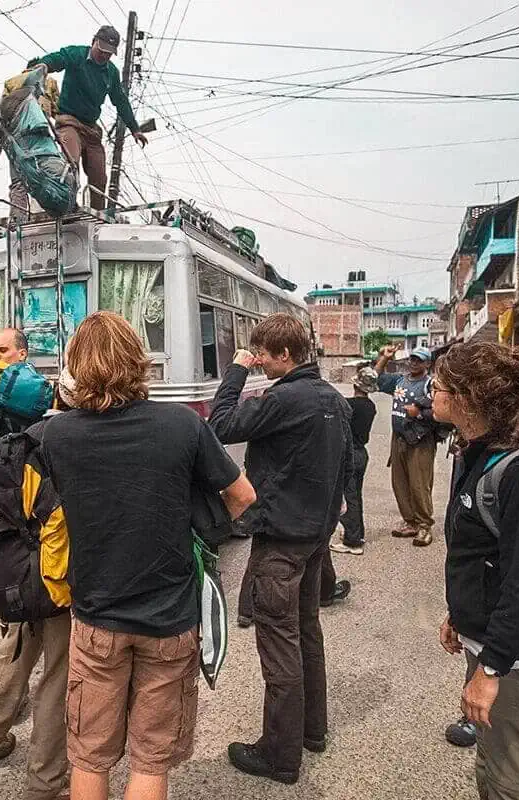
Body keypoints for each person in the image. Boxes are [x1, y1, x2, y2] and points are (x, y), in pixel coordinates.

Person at [41, 312, 255, 800]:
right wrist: (202, 528)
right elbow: (242, 496)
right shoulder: (181, 425)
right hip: (170, 619)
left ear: (77, 366)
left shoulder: (57, 435)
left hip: (96, 617)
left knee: (90, 757)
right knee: (151, 760)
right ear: (139, 359)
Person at [207, 313, 354, 785]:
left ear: (285, 355)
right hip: (314, 535)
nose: (260, 362)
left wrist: (235, 370)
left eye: (264, 355)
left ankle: (279, 753)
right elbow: (346, 467)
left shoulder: (286, 397)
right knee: (307, 631)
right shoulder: (332, 397)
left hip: (282, 539)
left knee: (279, 641)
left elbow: (222, 425)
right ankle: (312, 731)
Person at [433, 341, 519, 800]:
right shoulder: (480, 452)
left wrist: (490, 669)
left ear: (468, 399)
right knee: (494, 759)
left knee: (514, 780)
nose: (431, 392)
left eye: (440, 387)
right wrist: (462, 614)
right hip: (498, 645)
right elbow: (479, 554)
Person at [0, 371, 77, 800]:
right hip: (54, 578)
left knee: (14, 649)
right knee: (58, 675)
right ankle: (45, 781)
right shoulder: (62, 442)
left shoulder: (6, 445)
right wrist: (58, 585)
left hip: (12, 578)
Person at [31, 26, 148, 211]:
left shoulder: (111, 73)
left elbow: (121, 101)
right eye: (100, 50)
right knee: (70, 163)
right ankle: (66, 206)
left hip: (91, 130)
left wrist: (135, 128)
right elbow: (58, 58)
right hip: (69, 121)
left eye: (108, 53)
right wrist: (44, 65)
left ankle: (99, 214)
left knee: (99, 177)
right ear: (94, 41)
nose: (102, 55)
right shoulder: (77, 54)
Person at [374, 344, 439, 547]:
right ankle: (410, 521)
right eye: (412, 359)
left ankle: (424, 526)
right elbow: (376, 378)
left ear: (427, 363)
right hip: (399, 438)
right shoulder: (400, 380)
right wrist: (384, 358)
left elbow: (440, 412)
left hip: (420, 440)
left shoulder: (430, 384)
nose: (413, 363)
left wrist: (418, 414)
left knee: (419, 484)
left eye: (419, 360)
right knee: (399, 482)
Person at [0, 66, 61, 224]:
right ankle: (51, 209)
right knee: (47, 175)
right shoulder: (48, 82)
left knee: (19, 181)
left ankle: (18, 217)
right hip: (39, 138)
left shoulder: (11, 83)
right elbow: (60, 112)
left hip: (16, 138)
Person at [331, 367, 379, 556]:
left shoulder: (348, 404)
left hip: (349, 455)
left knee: (348, 496)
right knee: (356, 496)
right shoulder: (370, 406)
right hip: (362, 453)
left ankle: (352, 541)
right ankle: (357, 533)